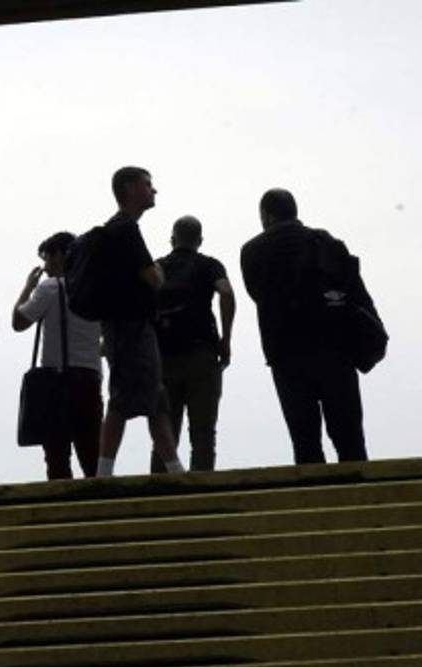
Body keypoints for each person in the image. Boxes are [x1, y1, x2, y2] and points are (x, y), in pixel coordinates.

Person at [241, 188, 375, 463]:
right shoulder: (326, 242)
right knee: (349, 438)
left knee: (305, 442)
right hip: (335, 349)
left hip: (285, 352)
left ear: (265, 215)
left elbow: (256, 294)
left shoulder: (252, 251)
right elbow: (354, 291)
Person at [94, 167, 185, 476]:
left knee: (152, 397)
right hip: (132, 327)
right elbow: (153, 277)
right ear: (130, 188)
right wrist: (159, 273)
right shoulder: (126, 229)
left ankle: (171, 467)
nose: (154, 190)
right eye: (148, 184)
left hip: (122, 327)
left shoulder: (113, 230)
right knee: (127, 398)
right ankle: (106, 473)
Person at [150, 216, 236, 473]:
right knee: (203, 432)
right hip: (202, 354)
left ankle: (159, 493)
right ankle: (203, 491)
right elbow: (227, 293)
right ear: (199, 240)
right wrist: (225, 339)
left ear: (172, 239)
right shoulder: (209, 265)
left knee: (165, 433)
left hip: (163, 358)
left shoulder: (158, 267)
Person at [13, 232, 102, 480]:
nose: (45, 266)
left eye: (47, 257)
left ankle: (63, 510)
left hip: (57, 380)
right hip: (90, 378)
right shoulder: (93, 288)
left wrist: (28, 287)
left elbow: (19, 321)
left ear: (61, 255)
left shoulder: (50, 287)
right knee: (93, 454)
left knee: (57, 456)